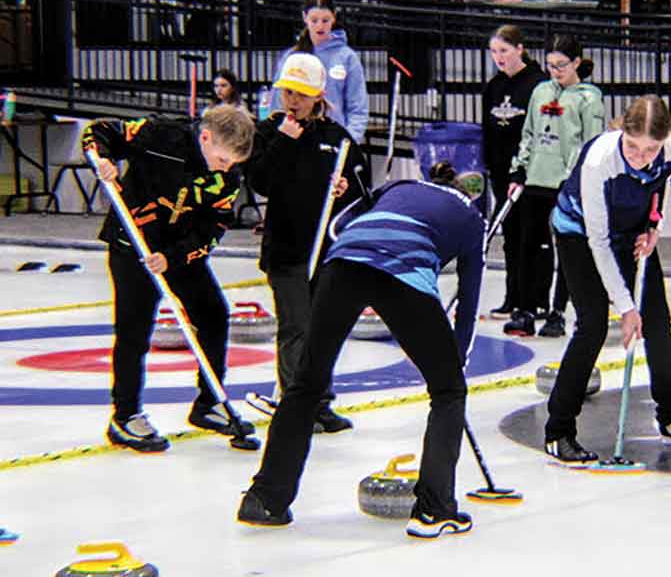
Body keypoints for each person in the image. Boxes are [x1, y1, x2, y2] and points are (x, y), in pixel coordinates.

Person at [237, 162, 486, 539]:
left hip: (343, 262)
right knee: (448, 390)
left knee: (306, 384)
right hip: (403, 272)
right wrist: (458, 360)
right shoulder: (471, 216)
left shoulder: (399, 186)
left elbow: (340, 222)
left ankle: (265, 498)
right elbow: (469, 298)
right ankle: (435, 509)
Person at [544, 95, 671, 465]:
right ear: (622, 132)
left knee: (658, 324)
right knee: (591, 325)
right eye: (633, 147)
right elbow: (598, 241)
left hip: (632, 231)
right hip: (579, 233)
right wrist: (624, 308)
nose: (641, 156)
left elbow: (660, 188)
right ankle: (558, 431)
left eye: (650, 149)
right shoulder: (600, 160)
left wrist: (654, 227)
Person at [82, 106, 256, 452]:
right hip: (132, 245)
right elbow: (100, 130)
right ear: (205, 137)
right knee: (134, 330)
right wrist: (102, 159)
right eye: (222, 159)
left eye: (233, 162)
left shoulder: (229, 178)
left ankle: (209, 404)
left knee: (213, 314)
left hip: (177, 250)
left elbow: (214, 227)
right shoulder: (161, 135)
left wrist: (173, 257)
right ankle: (125, 416)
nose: (227, 168)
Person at [245, 52, 368, 433]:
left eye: (300, 93)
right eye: (287, 92)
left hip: (327, 252)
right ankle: (296, 404)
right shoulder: (268, 132)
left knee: (323, 328)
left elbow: (362, 191)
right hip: (287, 252)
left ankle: (321, 401)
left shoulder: (336, 137)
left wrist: (346, 190)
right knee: (296, 327)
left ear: (318, 94)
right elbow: (260, 181)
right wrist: (283, 141)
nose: (292, 100)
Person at [506, 34, 605, 338]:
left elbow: (592, 143)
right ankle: (525, 309)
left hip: (565, 184)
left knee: (565, 249)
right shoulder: (540, 92)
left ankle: (558, 311)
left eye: (561, 65)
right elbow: (529, 133)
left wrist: (576, 178)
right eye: (550, 65)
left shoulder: (589, 98)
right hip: (536, 178)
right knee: (529, 247)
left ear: (576, 63)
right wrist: (518, 169)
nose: (555, 71)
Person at [482, 24, 547, 320]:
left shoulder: (537, 85)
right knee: (510, 236)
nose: (499, 57)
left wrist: (524, 170)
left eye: (504, 51)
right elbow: (488, 129)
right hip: (500, 173)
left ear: (520, 49)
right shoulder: (494, 86)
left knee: (532, 236)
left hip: (529, 175)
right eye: (494, 51)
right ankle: (512, 296)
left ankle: (535, 300)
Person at [269, 0, 369, 144]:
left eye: (325, 20)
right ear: (305, 18)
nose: (320, 26)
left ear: (334, 18)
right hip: (295, 139)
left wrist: (349, 143)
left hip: (333, 141)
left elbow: (357, 107)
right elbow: (277, 102)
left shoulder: (348, 58)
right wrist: (280, 136)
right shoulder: (291, 57)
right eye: (314, 20)